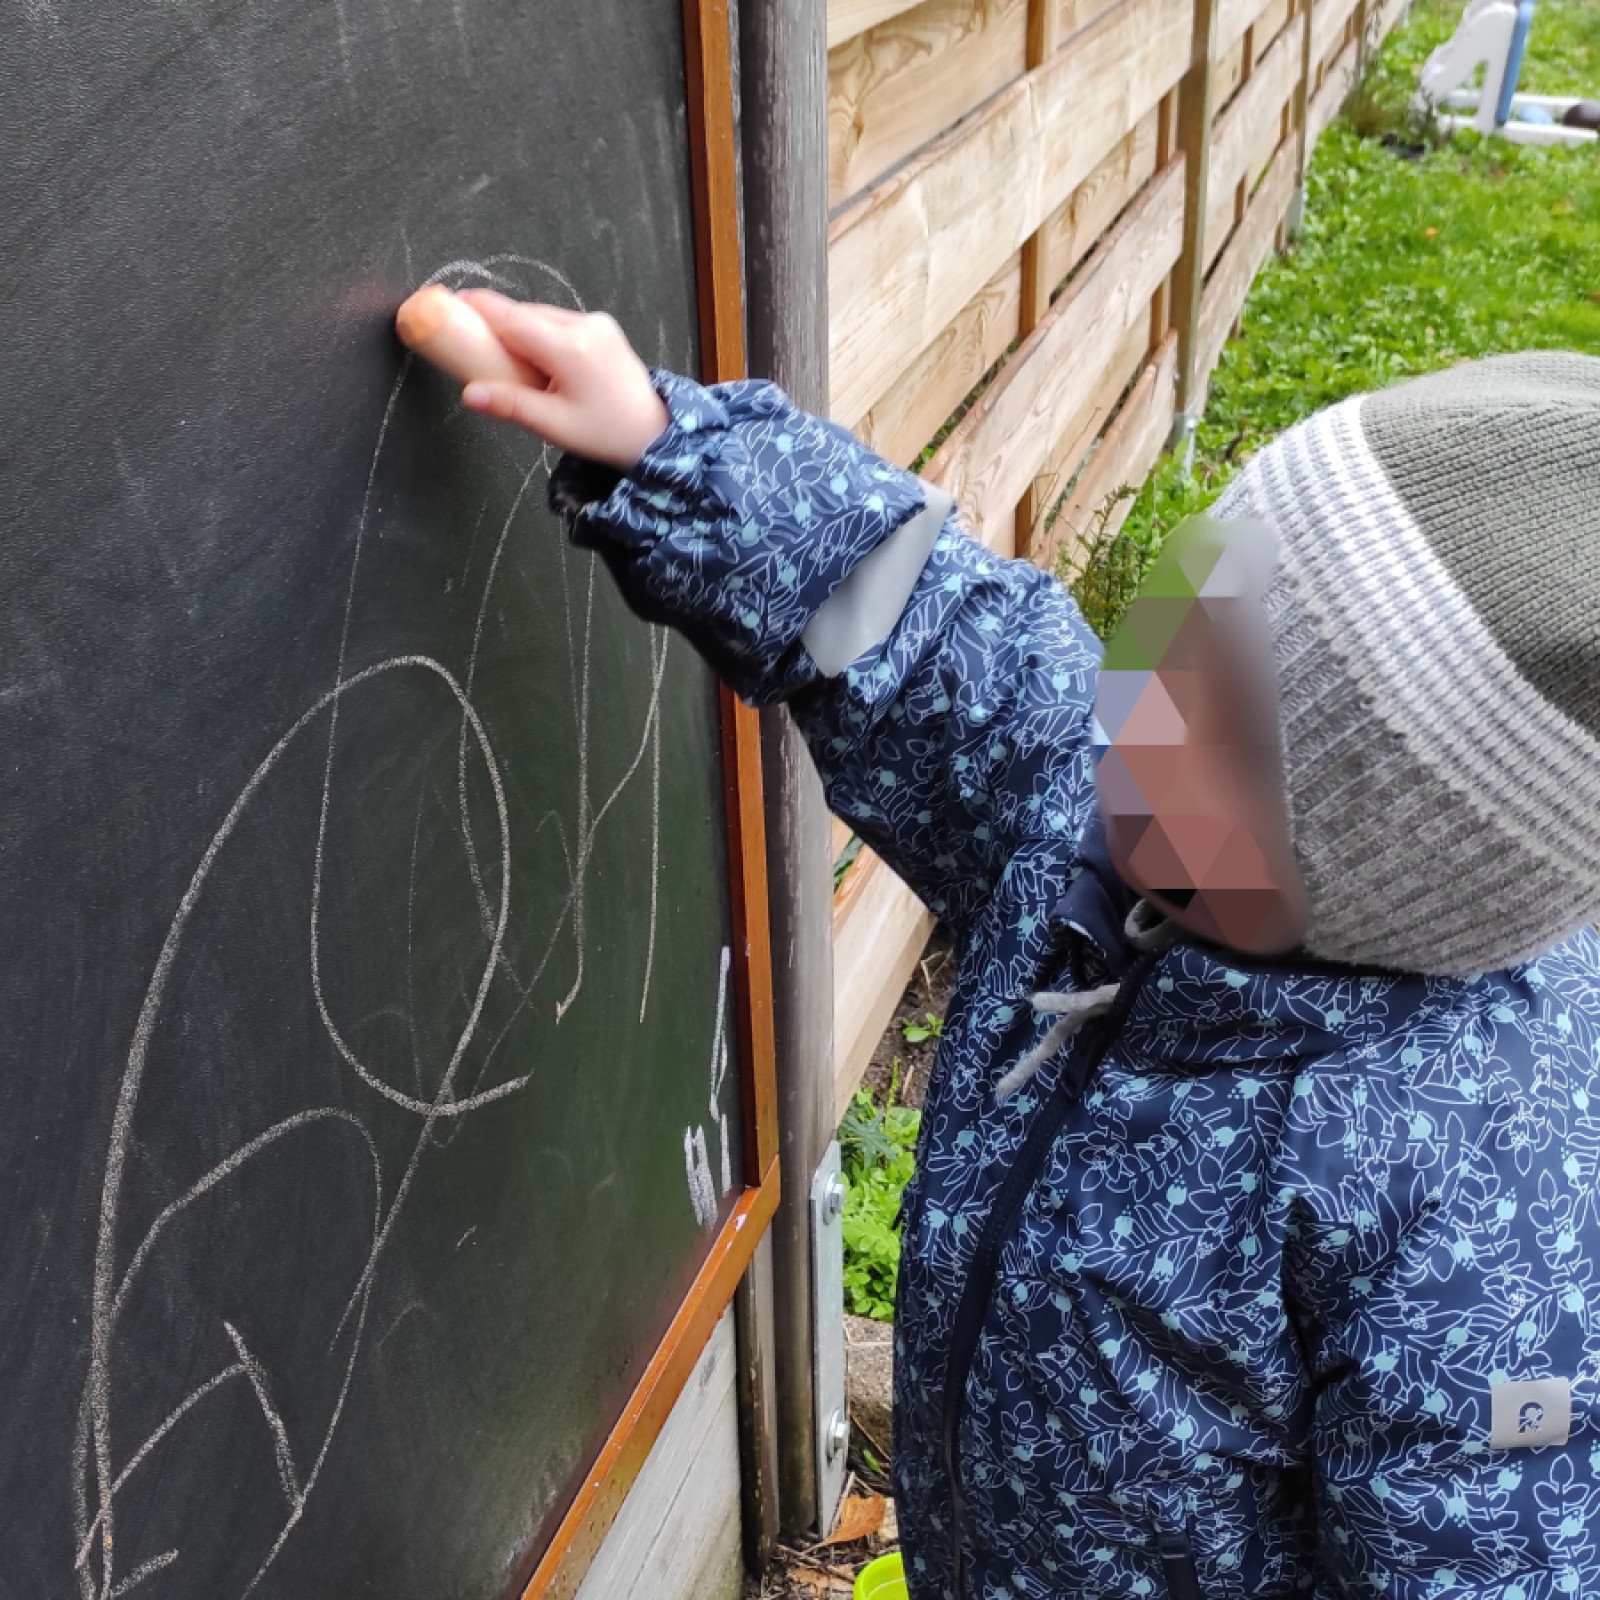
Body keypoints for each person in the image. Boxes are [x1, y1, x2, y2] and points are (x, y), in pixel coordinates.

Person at [440, 290, 1600, 1597]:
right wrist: (669, 451)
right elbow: (921, 628)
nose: (1131, 715)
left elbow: (1483, 1556)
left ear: (1387, 881)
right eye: (1185, 610)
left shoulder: (1487, 1216)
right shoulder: (1116, 797)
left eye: (1208, 734)